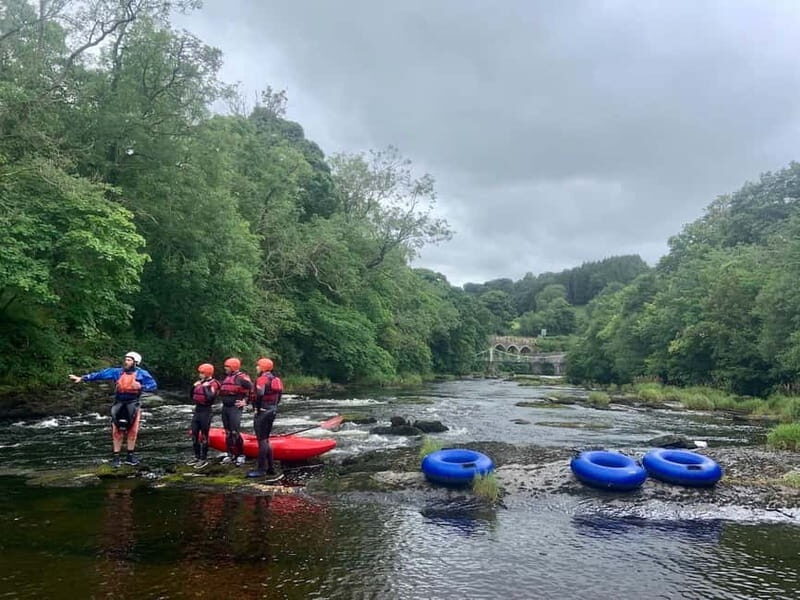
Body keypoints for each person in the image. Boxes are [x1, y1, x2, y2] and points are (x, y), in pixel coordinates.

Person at [69, 351, 157, 467]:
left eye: (129, 360)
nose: (126, 362)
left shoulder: (142, 373)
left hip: (133, 403)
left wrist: (142, 386)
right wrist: (82, 378)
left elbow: (153, 385)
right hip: (119, 403)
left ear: (135, 362)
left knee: (132, 431)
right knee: (117, 431)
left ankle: (130, 456)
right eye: (125, 359)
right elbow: (100, 375)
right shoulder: (117, 372)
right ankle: (116, 458)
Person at [246, 358, 284, 478]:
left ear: (262, 367)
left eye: (258, 366)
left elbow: (260, 394)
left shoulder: (262, 379)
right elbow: (279, 396)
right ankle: (271, 468)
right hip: (272, 410)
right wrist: (273, 407)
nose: (256, 367)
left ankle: (261, 469)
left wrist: (257, 408)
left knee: (262, 440)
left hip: (263, 411)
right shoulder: (275, 379)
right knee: (266, 440)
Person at [217, 357, 252, 466]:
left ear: (233, 367)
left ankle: (241, 455)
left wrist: (246, 402)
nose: (225, 368)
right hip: (226, 408)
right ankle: (230, 454)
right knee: (227, 432)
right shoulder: (227, 377)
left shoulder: (242, 378)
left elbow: (253, 390)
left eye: (227, 366)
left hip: (235, 408)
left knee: (234, 432)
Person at [188, 363, 220, 469]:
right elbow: (191, 395)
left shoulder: (213, 383)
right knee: (194, 434)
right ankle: (196, 456)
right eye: (200, 373)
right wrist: (194, 386)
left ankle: (203, 459)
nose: (200, 375)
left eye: (202, 373)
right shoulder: (199, 383)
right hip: (197, 410)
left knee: (204, 436)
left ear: (207, 373)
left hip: (206, 411)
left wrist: (206, 388)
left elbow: (211, 397)